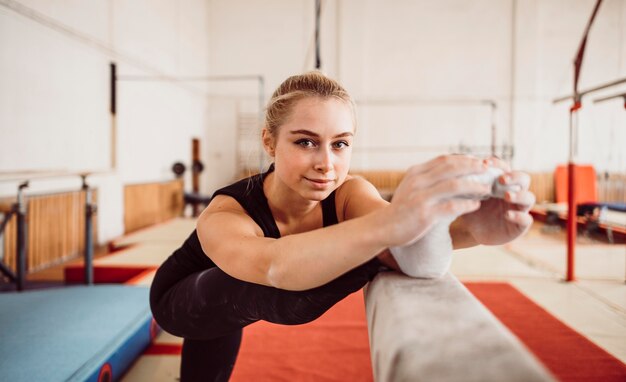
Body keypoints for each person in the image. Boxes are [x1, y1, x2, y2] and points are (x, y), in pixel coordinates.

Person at [149, 71, 535, 381]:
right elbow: (276, 267)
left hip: (230, 308)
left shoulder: (350, 192)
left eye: (340, 144)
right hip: (181, 298)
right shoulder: (226, 211)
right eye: (305, 142)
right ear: (269, 141)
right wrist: (396, 222)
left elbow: (398, 235)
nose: (326, 164)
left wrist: (473, 230)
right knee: (280, 294)